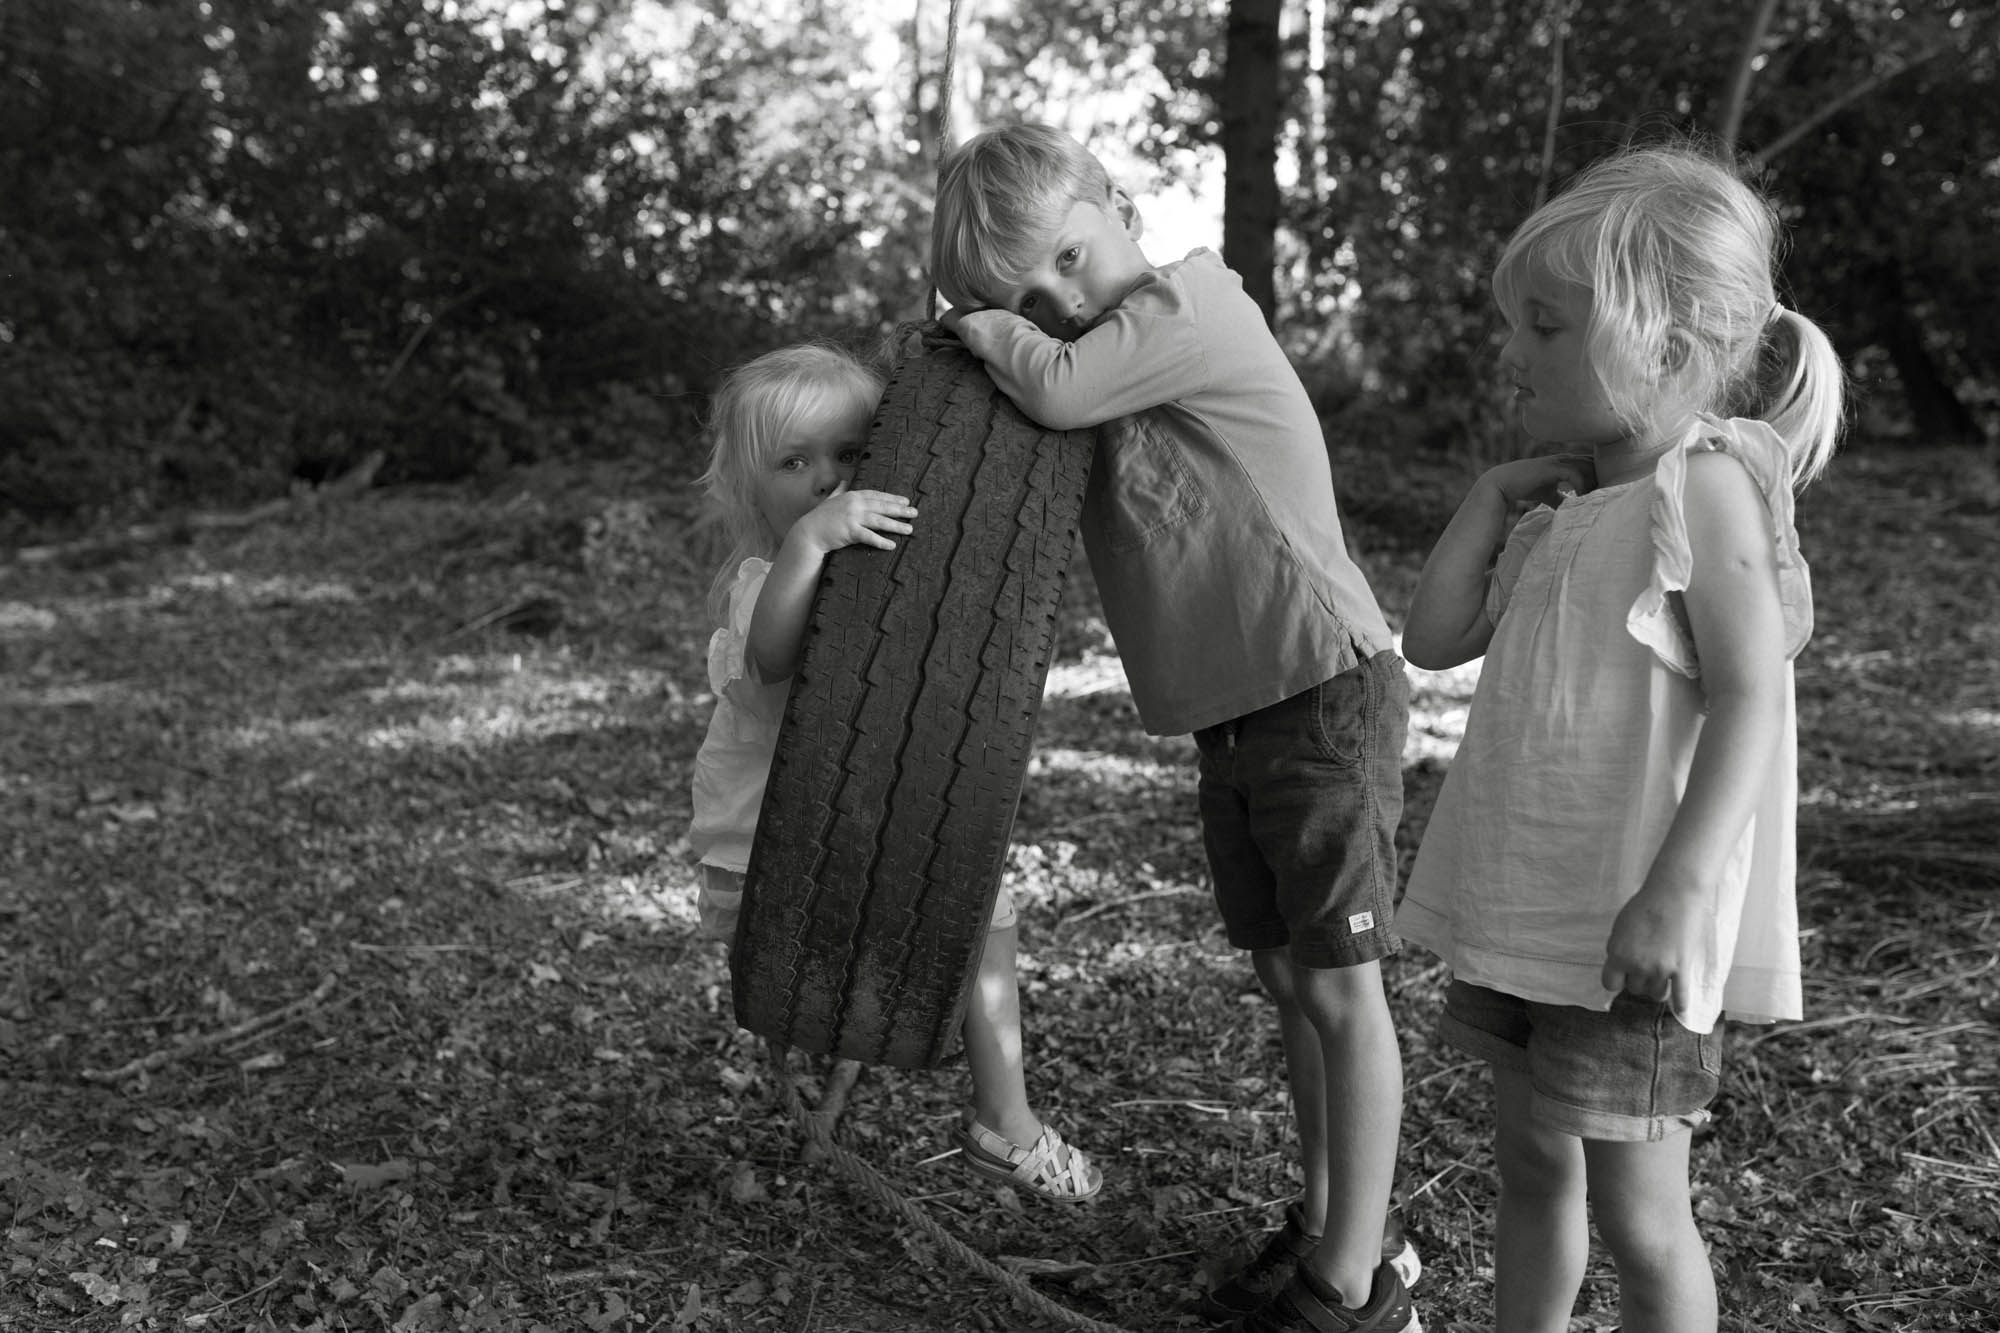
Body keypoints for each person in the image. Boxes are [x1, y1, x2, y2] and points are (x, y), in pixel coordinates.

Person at [932, 123, 1420, 1333]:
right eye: (1022, 296)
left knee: (1345, 988)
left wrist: (972, 323)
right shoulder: (1112, 349)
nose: (1053, 300)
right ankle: (1325, 1220)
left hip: (1320, 683)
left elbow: (1050, 386)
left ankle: (1359, 1281)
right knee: (1288, 976)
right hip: (1239, 717)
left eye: (1064, 259)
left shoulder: (1192, 306)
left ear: (1114, 201)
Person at [1397, 143, 1842, 1333]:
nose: (1512, 352)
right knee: (1532, 1171)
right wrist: (1489, 501)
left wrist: (1677, 890)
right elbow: (1430, 638)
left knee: (1642, 1217)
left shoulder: (1702, 488)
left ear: (1666, 346)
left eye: (1543, 325)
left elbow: (1750, 695)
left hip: (1625, 932)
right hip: (1529, 915)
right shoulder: (1563, 508)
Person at [687, 341, 1101, 1204]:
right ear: (747, 485)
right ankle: (999, 1115)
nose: (827, 480)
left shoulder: (883, 580)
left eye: (848, 454)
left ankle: (1005, 1118)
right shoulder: (764, 576)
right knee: (939, 929)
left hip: (847, 837)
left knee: (985, 907)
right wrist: (808, 544)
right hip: (768, 852)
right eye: (794, 463)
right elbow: (772, 657)